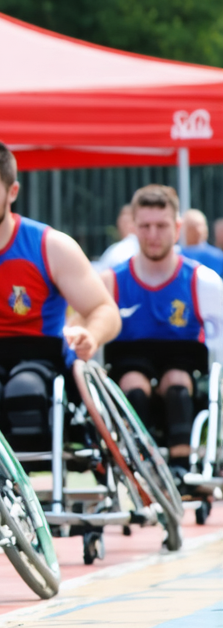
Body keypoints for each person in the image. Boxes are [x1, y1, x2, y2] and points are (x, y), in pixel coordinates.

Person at [0, 140, 120, 450]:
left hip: (40, 359)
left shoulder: (50, 246)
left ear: (12, 192)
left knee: (25, 391)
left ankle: (33, 488)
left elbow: (104, 309)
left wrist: (91, 334)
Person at [102, 186, 223, 474]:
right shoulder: (111, 280)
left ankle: (182, 467)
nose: (153, 234)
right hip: (129, 363)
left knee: (177, 381)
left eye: (161, 226)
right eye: (145, 226)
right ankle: (143, 466)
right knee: (133, 384)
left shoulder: (201, 281)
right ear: (133, 228)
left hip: (182, 364)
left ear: (177, 227)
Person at [93, 204, 138, 272]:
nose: (122, 225)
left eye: (127, 222)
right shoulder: (118, 248)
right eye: (122, 221)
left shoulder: (122, 249)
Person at [181, 208, 223, 277]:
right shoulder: (176, 256)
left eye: (199, 225)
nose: (197, 230)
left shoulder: (218, 257)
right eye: (192, 226)